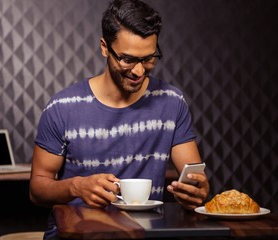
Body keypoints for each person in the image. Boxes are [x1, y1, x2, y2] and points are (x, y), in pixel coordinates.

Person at [29, 0, 210, 239]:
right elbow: (37, 189)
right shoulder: (62, 108)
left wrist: (197, 192)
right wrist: (75, 186)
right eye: (127, 59)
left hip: (145, 234)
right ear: (104, 47)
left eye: (148, 59)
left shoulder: (172, 102)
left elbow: (195, 180)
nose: (138, 71)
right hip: (77, 235)